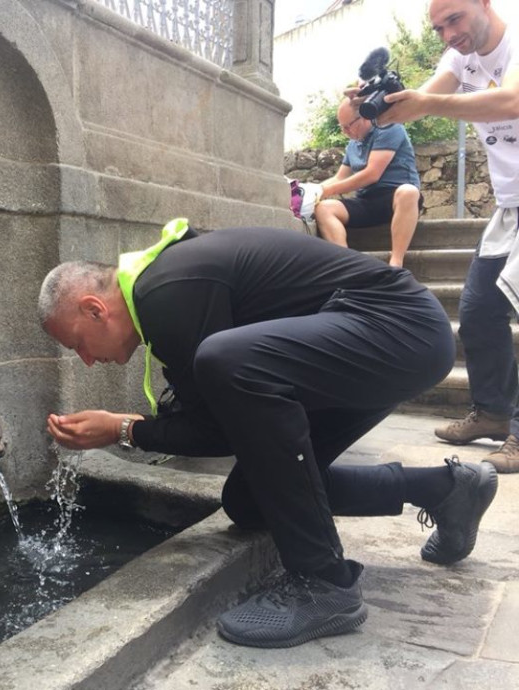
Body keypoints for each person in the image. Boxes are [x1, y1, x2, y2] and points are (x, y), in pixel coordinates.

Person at [38, 218, 498, 648]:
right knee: (249, 500)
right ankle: (446, 489)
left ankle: (323, 582)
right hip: (383, 338)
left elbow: (216, 431)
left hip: (398, 328)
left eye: (77, 343)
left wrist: (124, 429)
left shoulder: (166, 293)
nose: (86, 360)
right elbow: (229, 425)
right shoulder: (163, 288)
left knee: (225, 359)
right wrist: (132, 428)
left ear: (95, 309)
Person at [374, 0, 519, 473]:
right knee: (478, 312)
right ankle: (493, 412)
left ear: (484, 4)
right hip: (509, 207)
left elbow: (511, 99)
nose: (447, 35)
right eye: (437, 27)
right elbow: (418, 104)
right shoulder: (460, 59)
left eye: (454, 19)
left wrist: (427, 102)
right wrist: (380, 104)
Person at [314, 98, 423, 268]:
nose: (346, 131)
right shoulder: (352, 145)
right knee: (323, 208)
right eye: (342, 127)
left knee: (408, 192)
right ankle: (346, 264)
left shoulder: (390, 128)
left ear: (364, 116)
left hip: (396, 198)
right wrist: (312, 190)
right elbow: (339, 177)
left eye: (349, 126)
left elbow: (372, 174)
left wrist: (325, 190)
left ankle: (396, 261)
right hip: (367, 201)